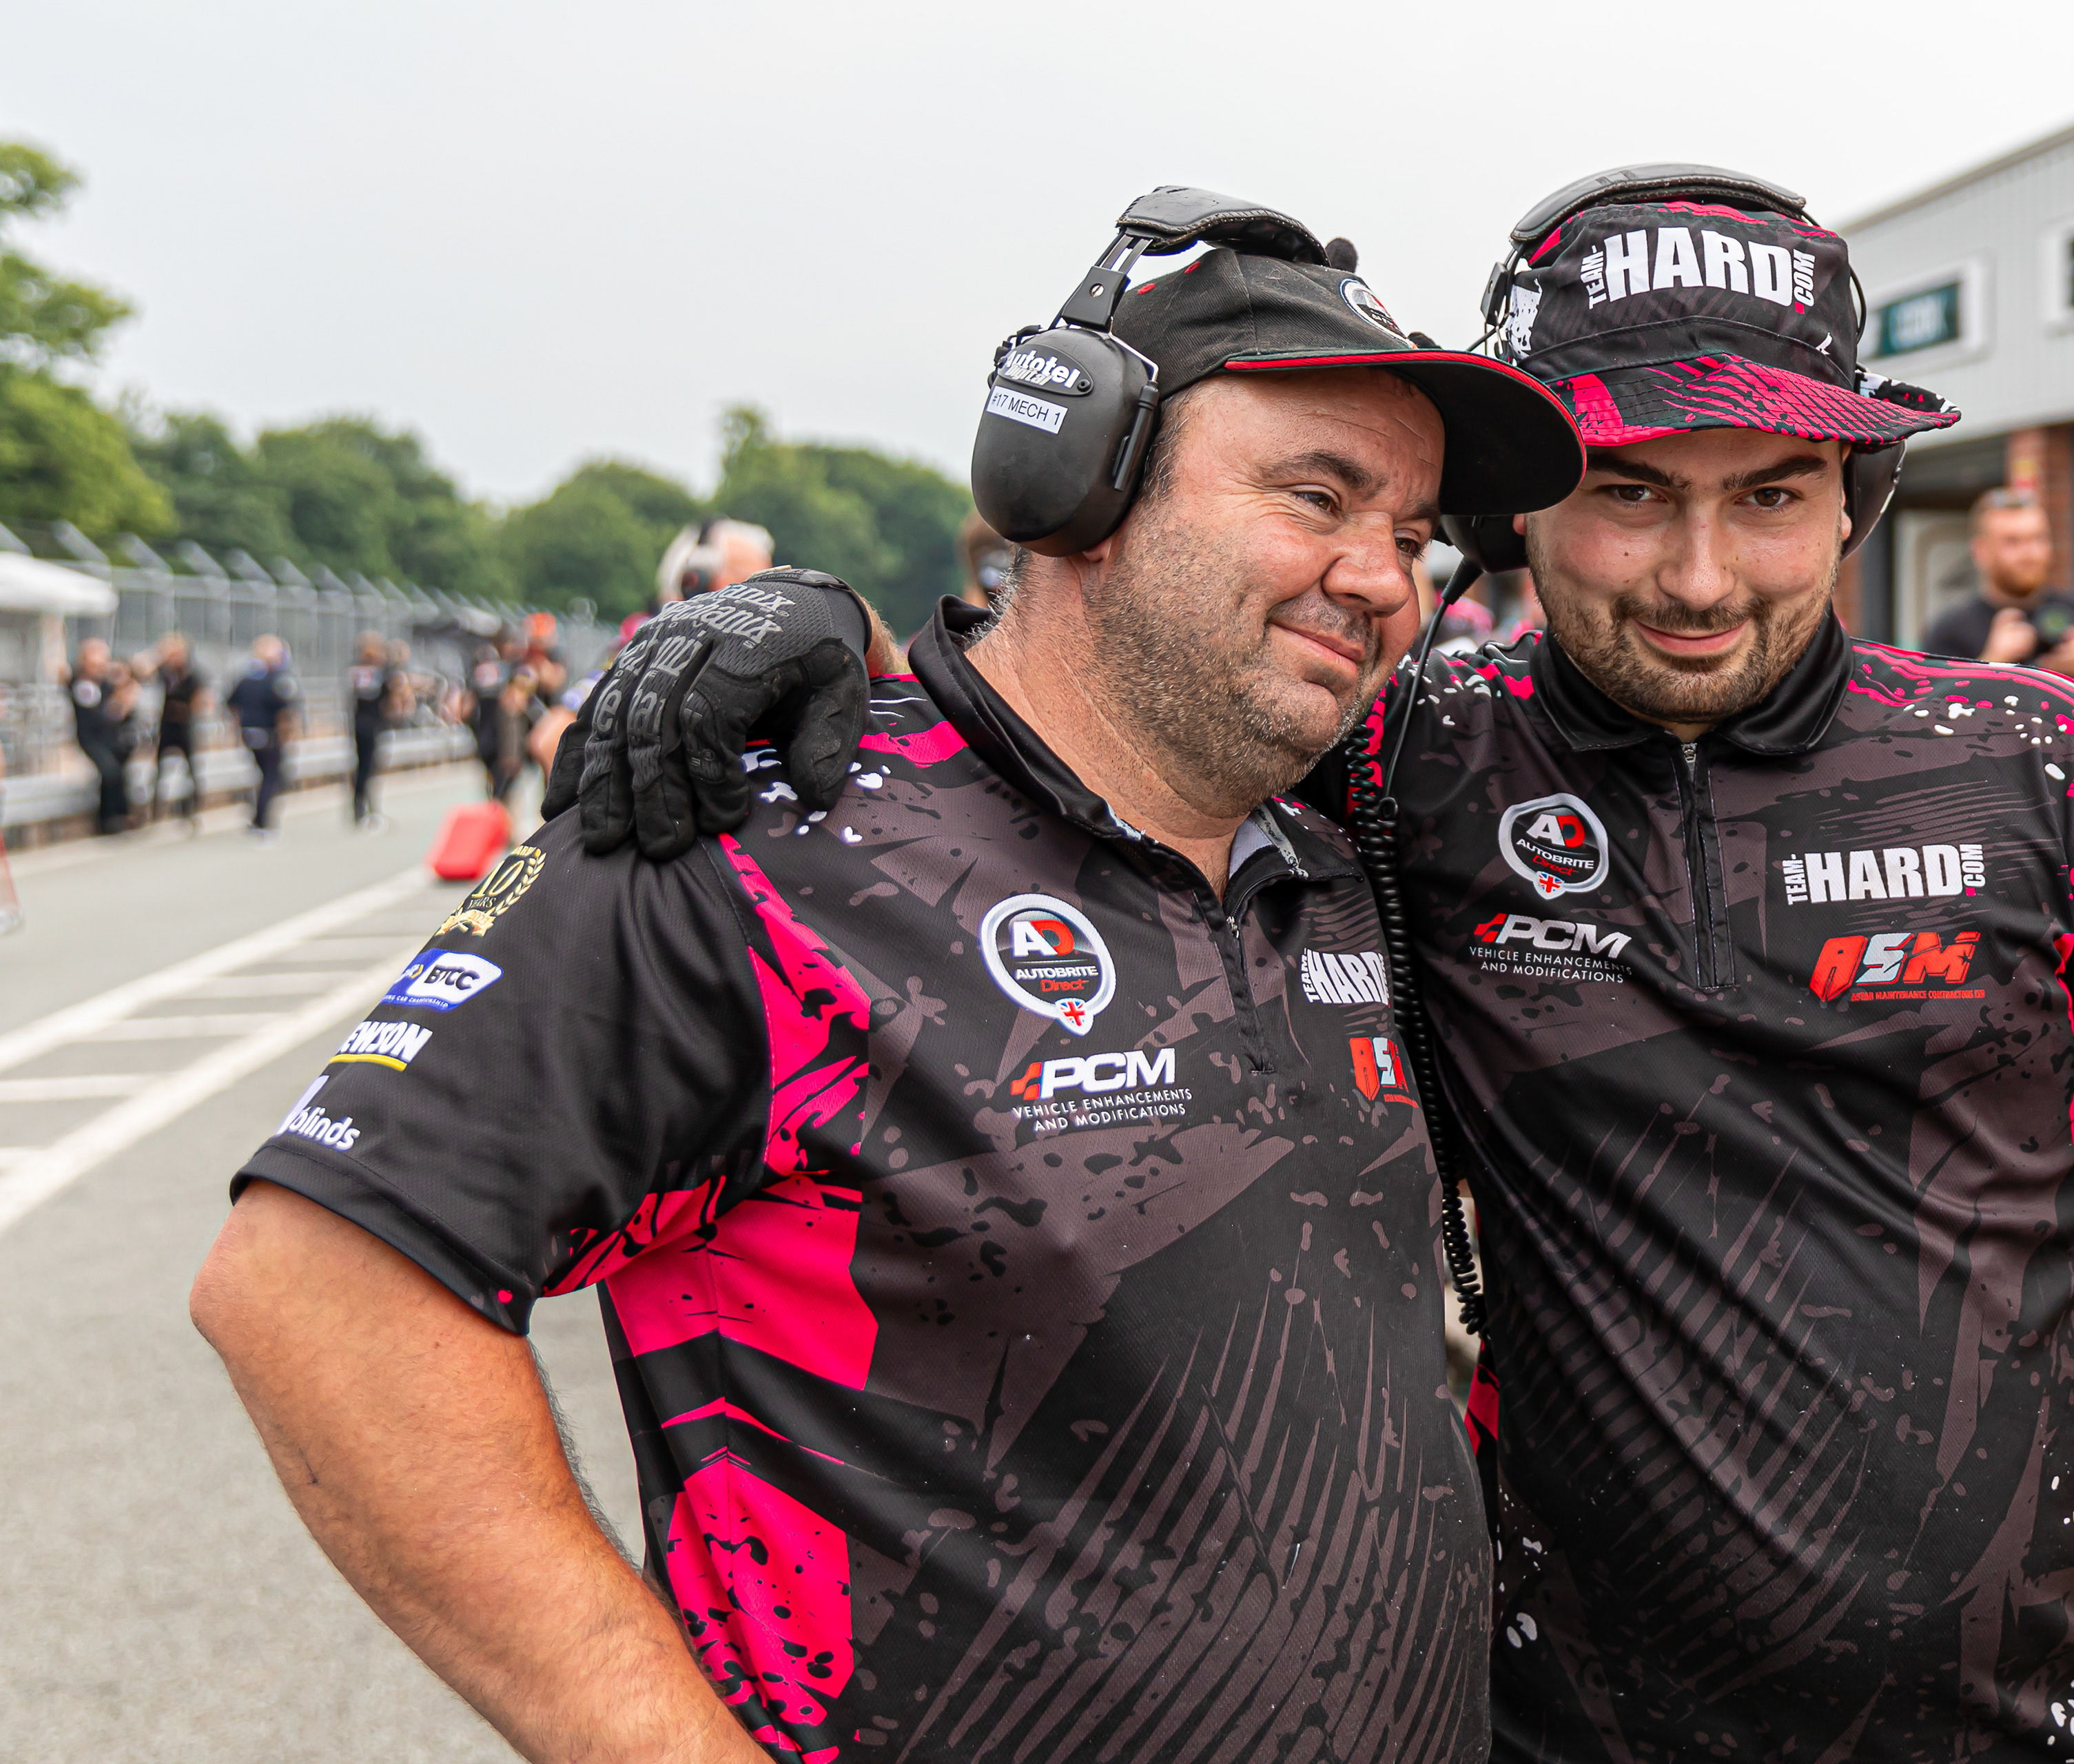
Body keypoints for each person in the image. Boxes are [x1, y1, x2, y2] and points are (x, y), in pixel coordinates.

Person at [628, 167, 2074, 1764]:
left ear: (1852, 501)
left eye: (1770, 496)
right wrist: (818, 632)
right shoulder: (1399, 752)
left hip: (2025, 1731)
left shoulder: (2042, 764)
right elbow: (1087, 710)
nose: (1699, 578)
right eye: (1629, 492)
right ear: (1512, 518)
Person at [192, 196, 1586, 1763]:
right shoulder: (759, 845)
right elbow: (316, 1291)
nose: (1380, 577)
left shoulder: (1341, 854)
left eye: (1409, 535)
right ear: (1078, 480)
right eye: (1316, 494)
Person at [1922, 488, 2074, 705]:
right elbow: (1926, 709)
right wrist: (1992, 662)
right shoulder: (1950, 629)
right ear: (1980, 551)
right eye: (2013, 542)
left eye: (2038, 539)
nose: (2031, 553)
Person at [227, 635, 300, 839]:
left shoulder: (246, 678)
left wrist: (239, 727)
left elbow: (231, 703)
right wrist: (287, 735)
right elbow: (284, 710)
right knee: (271, 777)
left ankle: (257, 818)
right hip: (269, 733)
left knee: (264, 775)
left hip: (250, 733)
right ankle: (262, 822)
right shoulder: (277, 679)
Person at [64, 637, 134, 837]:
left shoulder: (106, 684)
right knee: (109, 771)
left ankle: (120, 815)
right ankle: (107, 819)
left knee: (119, 771)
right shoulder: (81, 683)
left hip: (108, 736)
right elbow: (100, 712)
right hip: (90, 737)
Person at [141, 631, 207, 825]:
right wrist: (160, 655)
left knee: (191, 769)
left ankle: (191, 808)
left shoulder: (192, 675)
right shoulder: (164, 673)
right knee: (158, 771)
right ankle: (155, 811)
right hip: (166, 726)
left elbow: (200, 700)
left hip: (185, 726)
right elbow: (143, 670)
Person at [347, 631, 400, 829]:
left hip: (359, 722)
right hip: (372, 724)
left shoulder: (356, 669)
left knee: (363, 766)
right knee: (369, 768)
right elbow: (390, 695)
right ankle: (366, 808)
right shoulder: (380, 671)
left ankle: (361, 807)